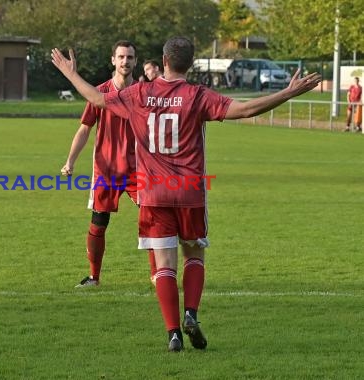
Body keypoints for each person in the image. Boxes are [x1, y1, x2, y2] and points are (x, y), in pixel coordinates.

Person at [51, 36, 321, 352]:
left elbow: (97, 99)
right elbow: (246, 110)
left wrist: (70, 73)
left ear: (163, 61)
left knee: (164, 265)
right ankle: (191, 313)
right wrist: (288, 92)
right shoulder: (198, 96)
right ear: (190, 64)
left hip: (153, 193)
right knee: (194, 254)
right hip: (189, 192)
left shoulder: (139, 94)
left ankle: (173, 334)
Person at [60, 40, 157, 288]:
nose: (126, 61)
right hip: (106, 170)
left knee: (154, 218)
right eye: (121, 57)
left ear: (136, 62)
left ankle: (158, 275)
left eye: (130, 57)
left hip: (139, 170)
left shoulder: (145, 94)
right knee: (98, 222)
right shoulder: (99, 93)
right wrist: (70, 161)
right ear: (113, 60)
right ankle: (94, 277)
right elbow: (84, 130)